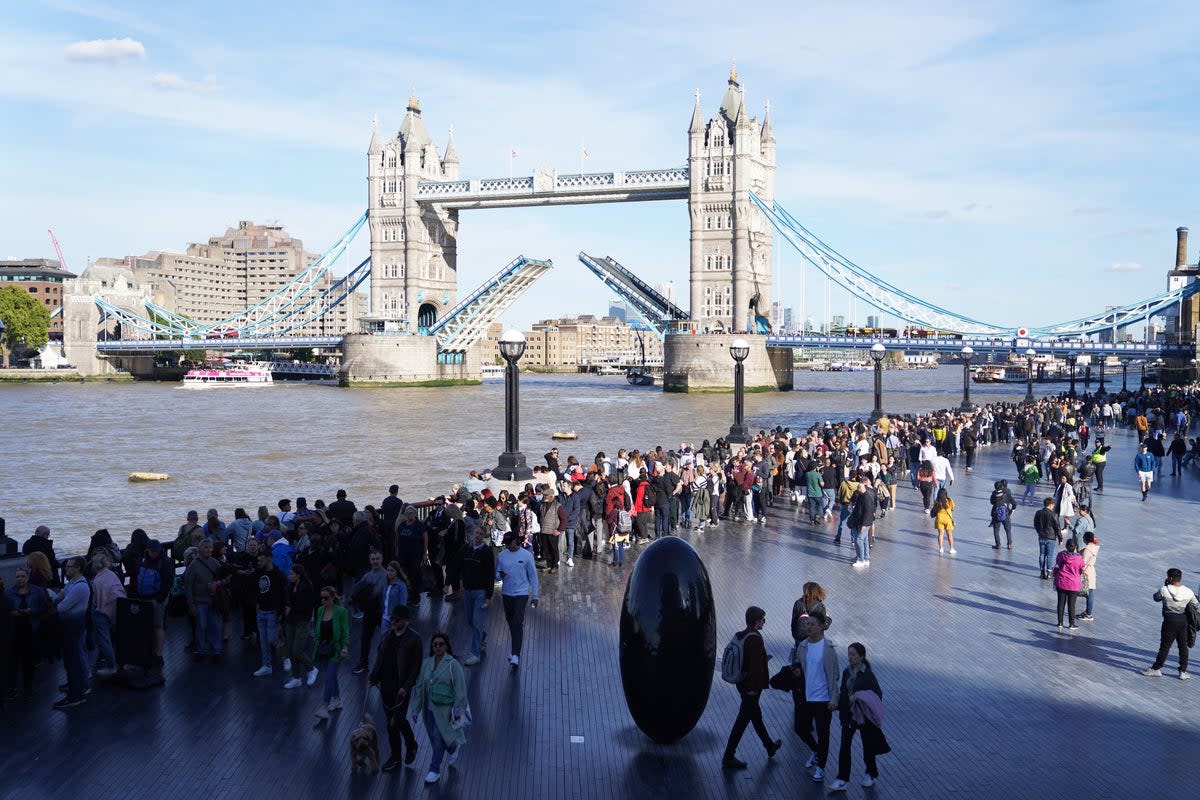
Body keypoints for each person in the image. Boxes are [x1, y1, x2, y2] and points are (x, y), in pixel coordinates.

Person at [722, 606, 781, 770]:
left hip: (742, 683)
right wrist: (754, 688)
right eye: (763, 619)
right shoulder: (755, 639)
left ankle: (769, 746)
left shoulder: (742, 634)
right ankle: (728, 756)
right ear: (756, 621)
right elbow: (755, 667)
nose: (764, 622)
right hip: (751, 687)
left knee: (756, 716)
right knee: (742, 721)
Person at [409, 632, 469, 785]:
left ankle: (434, 769)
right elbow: (420, 686)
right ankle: (453, 747)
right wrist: (415, 708)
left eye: (441, 644)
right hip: (429, 710)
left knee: (437, 739)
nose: (437, 647)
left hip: (445, 711)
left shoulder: (453, 664)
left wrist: (457, 709)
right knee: (437, 738)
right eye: (435, 644)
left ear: (446, 646)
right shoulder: (426, 663)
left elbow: (460, 688)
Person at [368, 605, 423, 770]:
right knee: (392, 720)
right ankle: (405, 749)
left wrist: (406, 687)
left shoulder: (414, 639)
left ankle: (399, 753)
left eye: (397, 619)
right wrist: (373, 677)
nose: (393, 621)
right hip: (385, 685)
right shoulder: (386, 636)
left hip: (400, 688)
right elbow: (379, 658)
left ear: (406, 621)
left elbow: (415, 666)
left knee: (394, 721)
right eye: (392, 619)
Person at [827, 642, 885, 792]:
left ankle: (870, 773)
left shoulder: (868, 675)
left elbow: (877, 694)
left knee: (868, 745)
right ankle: (842, 778)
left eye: (853, 654)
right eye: (849, 654)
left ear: (862, 656)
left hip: (864, 715)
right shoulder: (847, 672)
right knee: (844, 746)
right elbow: (843, 690)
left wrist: (859, 696)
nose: (850, 657)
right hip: (850, 714)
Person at [791, 613, 838, 782]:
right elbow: (797, 663)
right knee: (800, 728)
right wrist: (796, 668)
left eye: (812, 624)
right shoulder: (803, 646)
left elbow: (834, 676)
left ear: (821, 626)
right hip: (806, 696)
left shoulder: (828, 649)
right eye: (806, 624)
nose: (808, 627)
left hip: (823, 699)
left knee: (823, 733)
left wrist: (834, 699)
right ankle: (816, 750)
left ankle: (821, 767)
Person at [1142, 568, 1199, 680]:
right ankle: (1183, 671)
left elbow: (1156, 598)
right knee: (1183, 647)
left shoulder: (1164, 590)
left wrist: (1165, 585)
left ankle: (1156, 669)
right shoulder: (1188, 591)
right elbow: (1196, 605)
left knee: (1165, 646)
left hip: (1169, 621)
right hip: (1183, 621)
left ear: (1170, 578)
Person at [496, 532, 539, 667]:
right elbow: (497, 574)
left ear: (516, 541)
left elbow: (532, 576)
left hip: (521, 594)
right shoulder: (501, 556)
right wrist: (499, 575)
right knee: (511, 622)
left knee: (517, 622)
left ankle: (515, 654)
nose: (507, 546)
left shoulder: (527, 556)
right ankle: (515, 647)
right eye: (506, 544)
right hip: (506, 594)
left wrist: (535, 595)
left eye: (509, 543)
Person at [6, 566, 50, 698]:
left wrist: (33, 611)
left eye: (22, 576)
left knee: (28, 660)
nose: (19, 579)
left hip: (31, 628)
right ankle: (11, 687)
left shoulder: (37, 592)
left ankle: (28, 687)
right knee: (12, 660)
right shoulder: (9, 593)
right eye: (17, 576)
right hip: (14, 629)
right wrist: (11, 613)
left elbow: (44, 607)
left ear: (28, 577)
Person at [54, 556, 90, 709]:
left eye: (69, 566)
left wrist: (57, 602)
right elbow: (60, 595)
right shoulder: (73, 583)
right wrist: (58, 598)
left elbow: (61, 606)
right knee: (71, 659)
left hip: (74, 625)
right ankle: (77, 688)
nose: (66, 569)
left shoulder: (80, 587)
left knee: (73, 659)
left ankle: (75, 695)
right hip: (71, 625)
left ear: (78, 568)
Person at [311, 586, 350, 720]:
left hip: (336, 650)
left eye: (326, 598)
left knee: (328, 677)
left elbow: (345, 631)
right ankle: (337, 700)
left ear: (333, 598)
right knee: (331, 676)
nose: (323, 600)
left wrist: (344, 647)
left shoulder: (341, 611)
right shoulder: (320, 610)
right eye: (321, 597)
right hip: (323, 649)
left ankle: (324, 706)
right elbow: (317, 629)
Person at [135, 539, 175, 666]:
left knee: (158, 626)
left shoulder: (165, 562)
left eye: (156, 551)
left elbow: (169, 582)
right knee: (147, 626)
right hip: (144, 598)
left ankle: (158, 654)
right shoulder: (145, 560)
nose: (155, 553)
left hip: (157, 599)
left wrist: (160, 598)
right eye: (152, 551)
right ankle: (149, 650)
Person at [183, 538, 224, 663]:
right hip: (199, 602)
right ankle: (201, 650)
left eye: (210, 547)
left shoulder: (215, 563)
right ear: (199, 549)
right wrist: (191, 604)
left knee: (215, 626)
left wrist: (217, 584)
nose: (209, 550)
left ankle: (216, 651)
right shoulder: (193, 566)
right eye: (206, 547)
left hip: (213, 601)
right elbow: (188, 586)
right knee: (201, 626)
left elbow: (226, 578)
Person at [458, 525, 495, 666]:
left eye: (481, 533)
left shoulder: (486, 552)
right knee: (469, 620)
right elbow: (457, 564)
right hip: (467, 589)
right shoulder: (465, 549)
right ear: (473, 534)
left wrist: (489, 595)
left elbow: (490, 573)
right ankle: (482, 637)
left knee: (477, 621)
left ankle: (475, 653)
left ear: (483, 536)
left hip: (480, 591)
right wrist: (449, 582)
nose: (478, 535)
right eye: (476, 533)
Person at [350, 550, 388, 675]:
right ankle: (363, 663)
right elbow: (356, 590)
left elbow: (377, 592)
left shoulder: (385, 575)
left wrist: (365, 591)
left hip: (383, 612)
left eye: (377, 558)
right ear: (370, 560)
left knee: (386, 639)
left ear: (382, 559)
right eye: (373, 559)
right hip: (370, 611)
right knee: (365, 638)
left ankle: (385, 665)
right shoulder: (367, 575)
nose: (375, 561)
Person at [251, 548, 287, 677]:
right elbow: (255, 590)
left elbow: (283, 595)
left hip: (273, 611)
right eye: (258, 560)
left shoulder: (278, 575)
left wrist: (281, 613)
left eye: (261, 560)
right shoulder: (258, 573)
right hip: (261, 611)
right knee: (263, 640)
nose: (259, 562)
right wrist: (257, 605)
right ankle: (267, 665)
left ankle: (285, 655)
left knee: (272, 638)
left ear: (269, 559)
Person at [283, 564, 319, 689]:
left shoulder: (306, 587)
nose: (289, 576)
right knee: (292, 651)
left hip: (302, 621)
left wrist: (290, 607)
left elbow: (305, 605)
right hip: (291, 621)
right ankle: (296, 677)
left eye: (292, 574)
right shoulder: (291, 586)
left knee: (297, 650)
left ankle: (311, 668)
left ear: (298, 575)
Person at [90, 552, 125, 676]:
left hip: (101, 611)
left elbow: (97, 599)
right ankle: (102, 660)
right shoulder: (111, 575)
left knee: (103, 639)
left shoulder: (97, 581)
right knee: (105, 638)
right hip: (114, 609)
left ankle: (111, 665)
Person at [1052, 540, 1085, 629]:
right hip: (1073, 584)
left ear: (1066, 546)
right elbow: (1081, 569)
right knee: (1071, 604)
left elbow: (1058, 563)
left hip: (1061, 581)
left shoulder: (1061, 555)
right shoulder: (1079, 558)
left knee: (1060, 603)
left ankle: (1060, 623)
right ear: (1075, 547)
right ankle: (1071, 623)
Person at [1033, 498, 1061, 580]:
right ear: (1050, 504)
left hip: (1041, 536)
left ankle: (1042, 572)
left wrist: (1039, 531)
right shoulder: (1054, 514)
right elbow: (1057, 527)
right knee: (1049, 555)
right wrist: (1060, 538)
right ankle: (1049, 573)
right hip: (1051, 537)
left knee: (1042, 554)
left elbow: (1035, 524)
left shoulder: (1038, 513)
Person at [989, 479, 1016, 550]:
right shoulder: (1007, 494)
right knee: (1008, 530)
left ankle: (998, 544)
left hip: (996, 514)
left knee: (996, 529)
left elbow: (991, 502)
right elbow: (1014, 503)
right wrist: (1012, 511)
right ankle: (1009, 544)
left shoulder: (994, 494)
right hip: (1006, 513)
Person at [1078, 532, 1100, 621]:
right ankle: (1088, 612)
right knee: (1090, 593)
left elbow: (1083, 563)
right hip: (1091, 572)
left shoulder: (1087, 550)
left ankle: (1088, 614)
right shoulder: (1094, 548)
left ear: (1086, 539)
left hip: (1086, 573)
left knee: (1088, 594)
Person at [932, 488, 956, 555]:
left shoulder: (937, 501)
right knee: (949, 534)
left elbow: (935, 510)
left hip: (939, 519)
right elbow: (953, 508)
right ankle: (951, 548)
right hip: (948, 519)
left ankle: (941, 548)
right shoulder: (949, 500)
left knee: (940, 534)